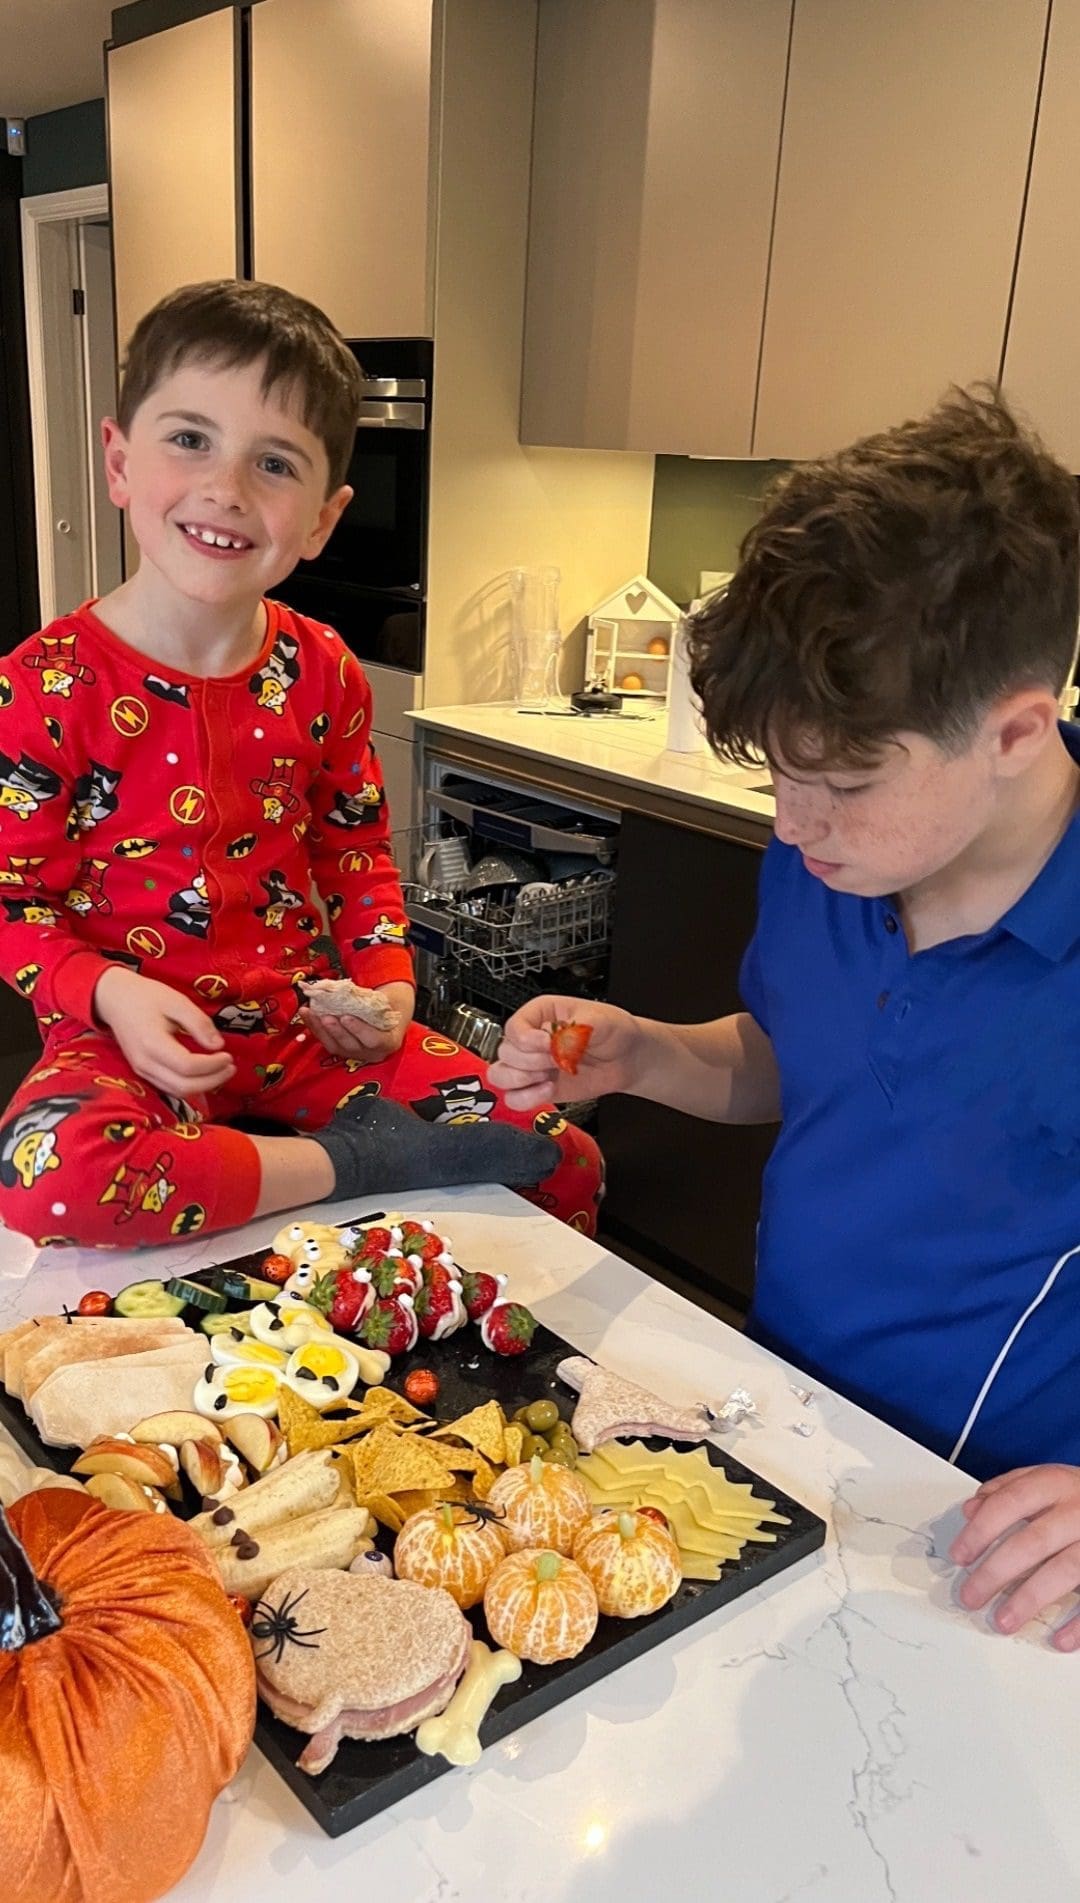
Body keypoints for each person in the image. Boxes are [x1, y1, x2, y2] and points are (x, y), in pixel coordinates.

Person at [492, 387, 1080, 1651]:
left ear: (1016, 731)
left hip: (993, 1539)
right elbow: (799, 1061)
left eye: (845, 783)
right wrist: (644, 1049)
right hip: (779, 1424)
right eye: (777, 777)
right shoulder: (832, 858)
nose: (793, 825)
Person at [0, 279, 600, 1250]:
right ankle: (356, 1166)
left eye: (273, 462)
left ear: (322, 517)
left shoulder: (323, 669)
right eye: (189, 439)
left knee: (556, 1153)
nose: (226, 489)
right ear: (118, 460)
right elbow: (13, 904)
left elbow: (356, 855)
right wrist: (106, 992)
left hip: (302, 1034)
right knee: (51, 1175)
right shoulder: (40, 686)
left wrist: (391, 990)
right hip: (131, 1048)